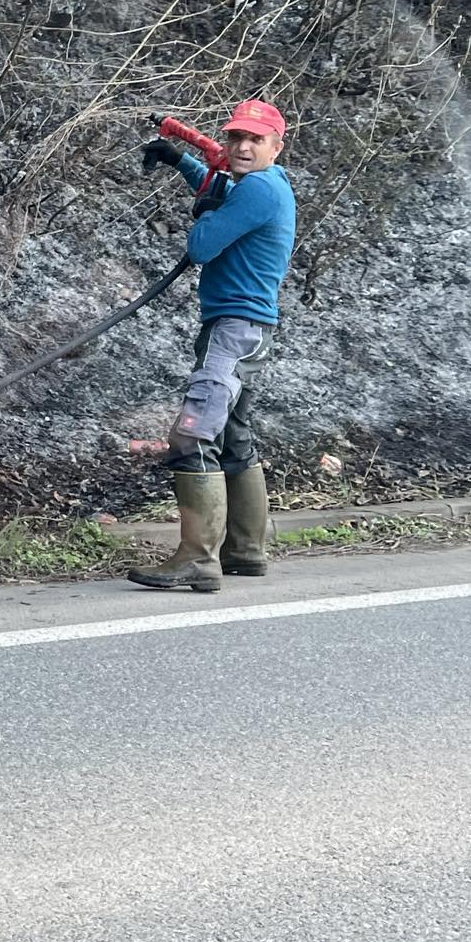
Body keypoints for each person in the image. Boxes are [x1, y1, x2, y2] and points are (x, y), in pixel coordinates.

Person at [127, 99, 296, 594]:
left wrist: (202, 217)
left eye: (255, 140)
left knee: (195, 433)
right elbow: (222, 189)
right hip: (246, 328)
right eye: (235, 138)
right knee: (235, 435)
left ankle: (198, 561)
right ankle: (246, 551)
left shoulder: (260, 190)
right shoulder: (267, 184)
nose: (242, 147)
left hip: (233, 330)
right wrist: (181, 162)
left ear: (275, 146)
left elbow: (201, 246)